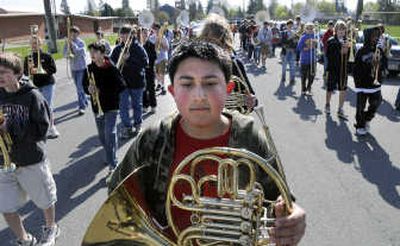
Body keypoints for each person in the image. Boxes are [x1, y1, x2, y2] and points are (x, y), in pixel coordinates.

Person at [108, 40, 306, 245]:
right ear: (173, 91)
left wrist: (292, 217)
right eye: (186, 84)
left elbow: (281, 201)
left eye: (210, 83)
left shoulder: (250, 137)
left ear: (228, 89)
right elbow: (119, 199)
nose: (199, 96)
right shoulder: (152, 139)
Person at [0, 53, 59, 246]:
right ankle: (24, 239)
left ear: (17, 74)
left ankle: (51, 228)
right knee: (6, 206)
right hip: (4, 161)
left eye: (4, 72)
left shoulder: (32, 96)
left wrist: (11, 129)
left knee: (44, 200)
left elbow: (43, 129)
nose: (0, 76)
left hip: (31, 159)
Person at [198, 13, 257, 111]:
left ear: (226, 42)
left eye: (219, 43)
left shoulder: (235, 64)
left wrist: (251, 101)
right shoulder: (194, 65)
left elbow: (251, 99)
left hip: (231, 122)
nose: (214, 48)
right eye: (209, 42)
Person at [83, 42, 125, 173]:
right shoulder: (89, 68)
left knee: (109, 133)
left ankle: (113, 164)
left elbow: (122, 86)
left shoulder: (111, 68)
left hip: (111, 106)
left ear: (102, 53)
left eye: (94, 52)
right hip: (97, 107)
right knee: (102, 136)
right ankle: (110, 153)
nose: (92, 55)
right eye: (90, 53)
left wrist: (101, 90)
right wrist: (88, 89)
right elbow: (84, 85)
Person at [110, 25, 148, 139]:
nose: (123, 36)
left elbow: (145, 62)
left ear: (132, 35)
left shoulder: (138, 48)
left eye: (126, 34)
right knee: (123, 106)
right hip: (122, 82)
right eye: (122, 34)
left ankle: (138, 124)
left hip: (136, 81)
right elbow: (112, 64)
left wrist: (129, 59)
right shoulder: (117, 49)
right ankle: (127, 127)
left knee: (137, 105)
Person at [23, 35, 60, 138]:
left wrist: (42, 71)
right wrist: (29, 70)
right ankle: (42, 128)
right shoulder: (28, 58)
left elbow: (53, 69)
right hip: (35, 85)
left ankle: (52, 127)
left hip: (48, 83)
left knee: (48, 106)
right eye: (32, 43)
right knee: (38, 108)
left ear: (41, 44)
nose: (34, 45)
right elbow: (25, 73)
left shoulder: (47, 56)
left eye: (36, 43)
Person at [353, 27, 383, 136]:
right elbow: (355, 68)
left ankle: (366, 118)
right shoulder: (361, 51)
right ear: (368, 37)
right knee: (360, 106)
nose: (376, 38)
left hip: (375, 84)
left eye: (377, 36)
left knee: (377, 102)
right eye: (374, 36)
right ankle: (360, 125)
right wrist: (357, 83)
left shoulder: (379, 50)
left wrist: (381, 64)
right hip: (362, 83)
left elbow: (383, 66)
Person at [325, 20, 350, 120]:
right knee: (330, 88)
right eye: (340, 29)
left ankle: (340, 109)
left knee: (343, 89)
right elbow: (328, 56)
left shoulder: (347, 41)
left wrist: (347, 52)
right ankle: (327, 104)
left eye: (343, 30)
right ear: (336, 30)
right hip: (333, 69)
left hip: (343, 70)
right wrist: (340, 51)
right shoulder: (331, 40)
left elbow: (349, 58)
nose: (342, 32)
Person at [63, 25, 88, 115]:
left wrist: (72, 45)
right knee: (79, 87)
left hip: (81, 67)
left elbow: (82, 52)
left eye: (74, 32)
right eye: (71, 32)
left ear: (78, 34)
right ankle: (84, 100)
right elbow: (64, 54)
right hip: (73, 68)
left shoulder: (81, 42)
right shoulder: (67, 43)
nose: (72, 34)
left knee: (79, 87)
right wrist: (67, 53)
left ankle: (82, 107)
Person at [297, 22, 317, 96]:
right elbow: (299, 48)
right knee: (304, 76)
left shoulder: (315, 36)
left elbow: (318, 45)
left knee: (312, 75)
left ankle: (309, 88)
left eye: (311, 28)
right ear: (305, 29)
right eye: (308, 28)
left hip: (313, 59)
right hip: (304, 60)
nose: (310, 30)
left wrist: (316, 44)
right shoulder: (303, 37)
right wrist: (307, 48)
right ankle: (303, 89)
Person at [141, 28, 157, 113]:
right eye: (143, 33)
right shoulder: (139, 45)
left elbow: (154, 57)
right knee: (143, 89)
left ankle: (153, 106)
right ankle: (145, 105)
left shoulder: (151, 45)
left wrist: (146, 59)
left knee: (151, 89)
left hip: (149, 70)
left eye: (146, 33)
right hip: (141, 71)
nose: (145, 35)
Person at [153, 23, 169, 95]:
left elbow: (167, 48)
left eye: (157, 29)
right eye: (154, 29)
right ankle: (159, 84)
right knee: (156, 73)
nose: (156, 31)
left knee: (161, 73)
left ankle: (163, 87)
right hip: (154, 58)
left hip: (162, 57)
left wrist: (162, 44)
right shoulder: (151, 37)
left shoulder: (163, 38)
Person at [280, 19, 297, 84]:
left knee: (292, 66)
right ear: (286, 26)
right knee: (284, 66)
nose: (290, 26)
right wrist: (290, 38)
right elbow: (282, 42)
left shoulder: (294, 33)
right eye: (289, 25)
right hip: (285, 51)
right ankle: (283, 77)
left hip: (292, 51)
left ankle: (292, 79)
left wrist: (295, 39)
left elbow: (296, 43)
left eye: (291, 25)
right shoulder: (283, 33)